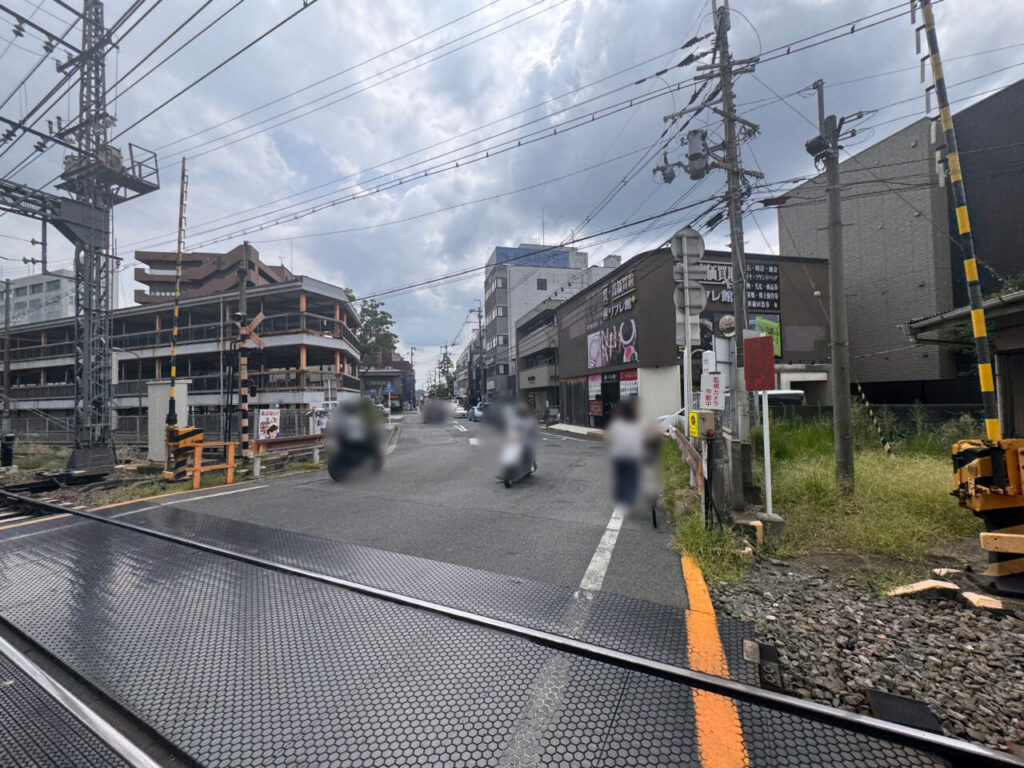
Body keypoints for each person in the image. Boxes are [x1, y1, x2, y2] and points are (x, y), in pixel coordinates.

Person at [606, 398, 646, 511]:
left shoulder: (617, 423)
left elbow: (609, 436)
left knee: (621, 478)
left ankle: (621, 498)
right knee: (632, 479)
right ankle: (629, 501)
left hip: (619, 457)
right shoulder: (637, 423)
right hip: (632, 457)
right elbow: (649, 430)